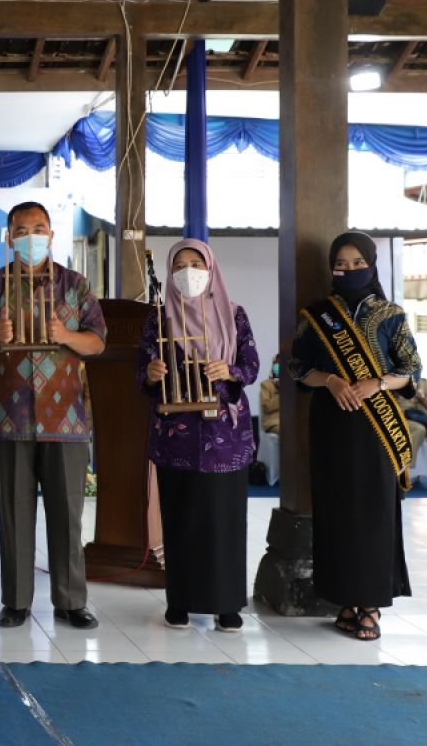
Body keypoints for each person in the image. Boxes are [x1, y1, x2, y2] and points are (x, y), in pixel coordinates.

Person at [0, 201, 105, 630]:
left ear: (52, 234)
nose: (30, 236)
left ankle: (70, 601)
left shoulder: (75, 286)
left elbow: (97, 343)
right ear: (8, 238)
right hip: (11, 418)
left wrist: (67, 336)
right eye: (21, 230)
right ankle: (17, 602)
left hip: (67, 420)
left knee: (68, 515)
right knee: (15, 513)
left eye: (38, 228)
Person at [290, 231, 421, 642]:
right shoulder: (316, 315)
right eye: (341, 264)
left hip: (376, 431)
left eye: (356, 263)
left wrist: (377, 384)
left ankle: (371, 605)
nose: (348, 270)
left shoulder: (391, 314)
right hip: (331, 426)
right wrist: (329, 380)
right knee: (337, 513)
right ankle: (345, 600)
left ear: (371, 264)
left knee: (374, 512)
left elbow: (411, 370)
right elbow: (295, 367)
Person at [138, 240, 259, 632]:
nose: (188, 272)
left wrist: (228, 373)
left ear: (211, 268)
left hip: (225, 439)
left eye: (196, 263)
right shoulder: (159, 319)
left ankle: (227, 605)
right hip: (177, 437)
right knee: (181, 520)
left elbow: (251, 366)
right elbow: (143, 373)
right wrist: (152, 375)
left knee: (225, 522)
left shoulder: (233, 315)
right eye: (180, 264)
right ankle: (181, 602)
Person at [259, 353, 281, 435]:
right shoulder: (266, 384)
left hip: (290, 421)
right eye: (277, 363)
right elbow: (266, 407)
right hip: (273, 423)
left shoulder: (291, 385)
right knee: (287, 431)